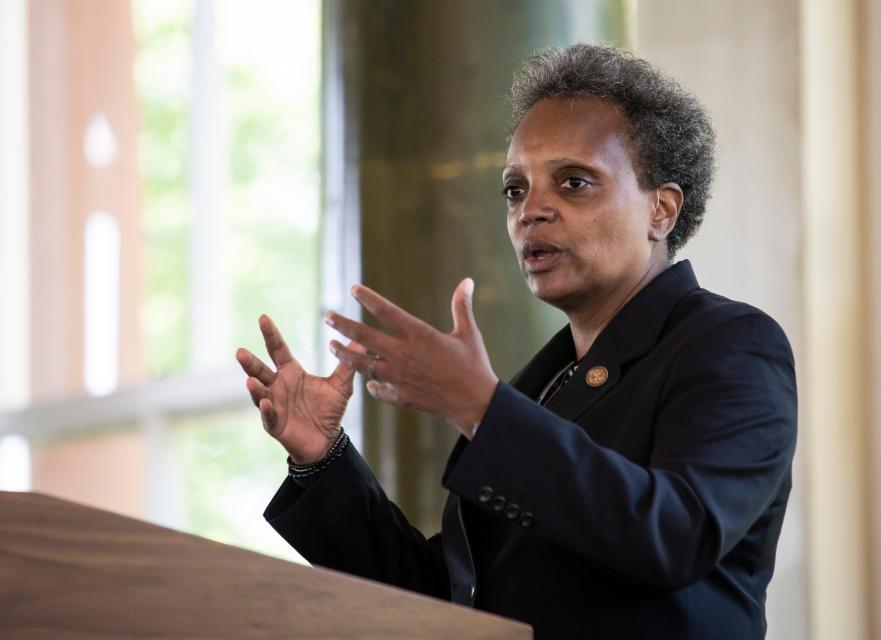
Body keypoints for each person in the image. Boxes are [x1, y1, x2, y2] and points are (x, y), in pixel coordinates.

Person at [236, 43, 797, 639]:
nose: (532, 210)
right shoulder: (538, 390)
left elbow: (675, 535)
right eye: (514, 189)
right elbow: (449, 599)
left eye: (574, 182)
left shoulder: (729, 344)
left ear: (661, 210)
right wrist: (321, 462)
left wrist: (481, 406)